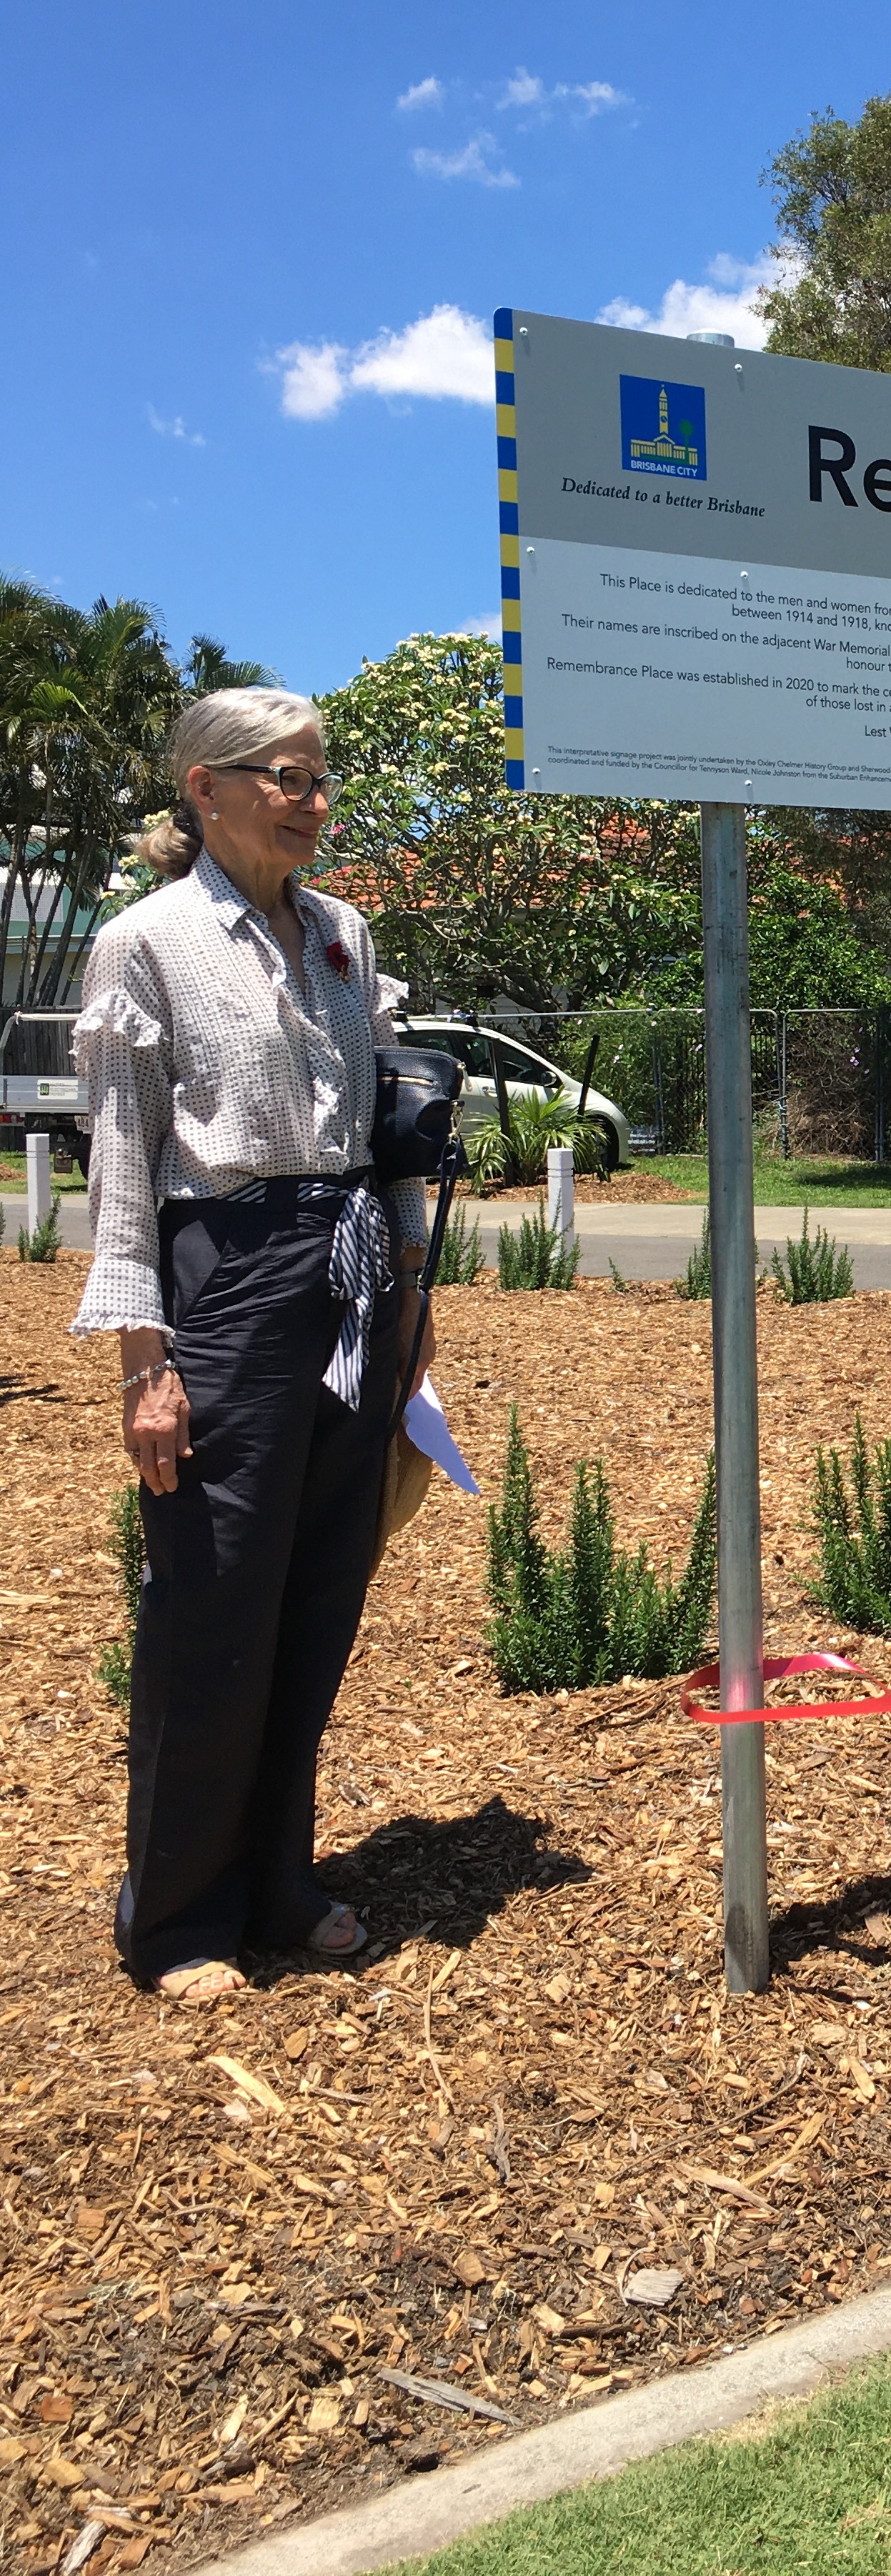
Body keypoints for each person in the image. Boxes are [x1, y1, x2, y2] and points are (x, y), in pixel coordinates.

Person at [71, 688, 432, 2000]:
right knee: (215, 1603)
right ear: (205, 789)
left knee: (316, 1594)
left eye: (321, 778)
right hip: (223, 1282)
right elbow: (121, 1167)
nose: (313, 800)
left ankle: (280, 1878)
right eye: (285, 777)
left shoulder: (342, 932)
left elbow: (388, 1120)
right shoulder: (144, 945)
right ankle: (176, 1918)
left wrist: (408, 1289)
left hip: (346, 1276)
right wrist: (142, 1363)